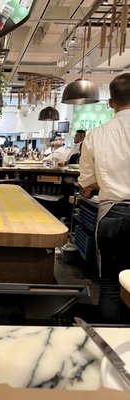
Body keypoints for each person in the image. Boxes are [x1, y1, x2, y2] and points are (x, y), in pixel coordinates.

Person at [78, 73, 130, 323]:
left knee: (110, 285)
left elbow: (86, 184)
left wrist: (100, 183)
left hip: (114, 215)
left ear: (111, 102)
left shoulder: (96, 135)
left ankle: (111, 345)